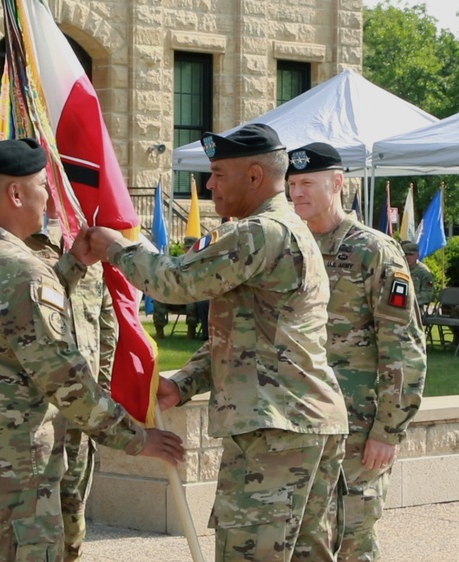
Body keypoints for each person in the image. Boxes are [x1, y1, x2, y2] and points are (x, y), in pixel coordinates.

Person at [86, 124, 349, 562]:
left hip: (273, 429)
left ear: (254, 176)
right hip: (304, 422)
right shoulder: (291, 229)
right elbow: (250, 334)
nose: (209, 185)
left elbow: (174, 282)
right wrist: (185, 382)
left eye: (218, 174)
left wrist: (116, 247)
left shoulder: (258, 233)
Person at [0, 138, 184, 562]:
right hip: (18, 463)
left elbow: (6, 324)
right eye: (41, 185)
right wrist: (136, 439)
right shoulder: (20, 268)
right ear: (16, 194)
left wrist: (71, 267)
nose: (49, 195)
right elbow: (64, 378)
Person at [287, 141, 426, 562]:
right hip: (302, 422)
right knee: (305, 542)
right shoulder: (291, 248)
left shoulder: (374, 250)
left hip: (357, 425)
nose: (298, 194)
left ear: (338, 183)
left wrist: (388, 431)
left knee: (352, 541)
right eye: (292, 184)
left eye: (308, 182)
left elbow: (403, 346)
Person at [25, 206, 116, 562]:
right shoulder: (20, 250)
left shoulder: (87, 250)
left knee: (74, 513)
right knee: (33, 521)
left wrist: (101, 390)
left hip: (82, 408)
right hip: (39, 412)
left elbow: (106, 327)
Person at [401, 241, 435, 310]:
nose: (408, 257)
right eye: (406, 254)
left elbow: (427, 294)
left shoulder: (424, 272)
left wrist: (409, 300)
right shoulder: (400, 269)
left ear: (417, 255)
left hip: (415, 308)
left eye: (411, 255)